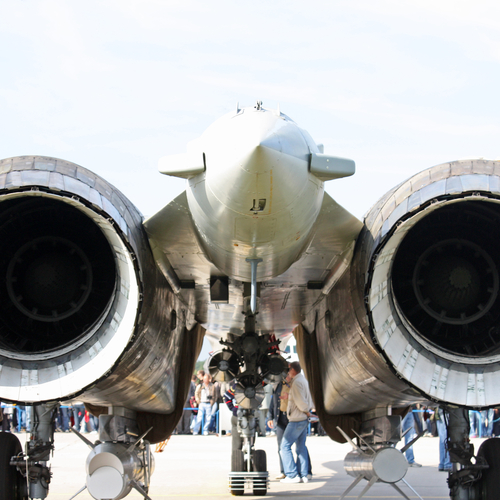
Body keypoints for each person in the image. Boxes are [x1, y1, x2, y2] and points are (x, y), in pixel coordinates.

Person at [280, 361, 313, 484]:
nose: (288, 373)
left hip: (297, 419)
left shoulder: (297, 382)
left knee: (284, 446)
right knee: (301, 447)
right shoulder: (303, 380)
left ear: (293, 370)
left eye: (289, 370)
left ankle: (292, 474)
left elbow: (300, 401)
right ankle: (304, 475)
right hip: (302, 419)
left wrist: (306, 411)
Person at [267, 371, 293, 479]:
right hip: (280, 418)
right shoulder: (278, 385)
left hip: (293, 419)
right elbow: (273, 401)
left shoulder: (295, 385)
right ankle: (284, 471)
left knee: (299, 447)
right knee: (281, 447)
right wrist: (270, 417)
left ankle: (303, 471)